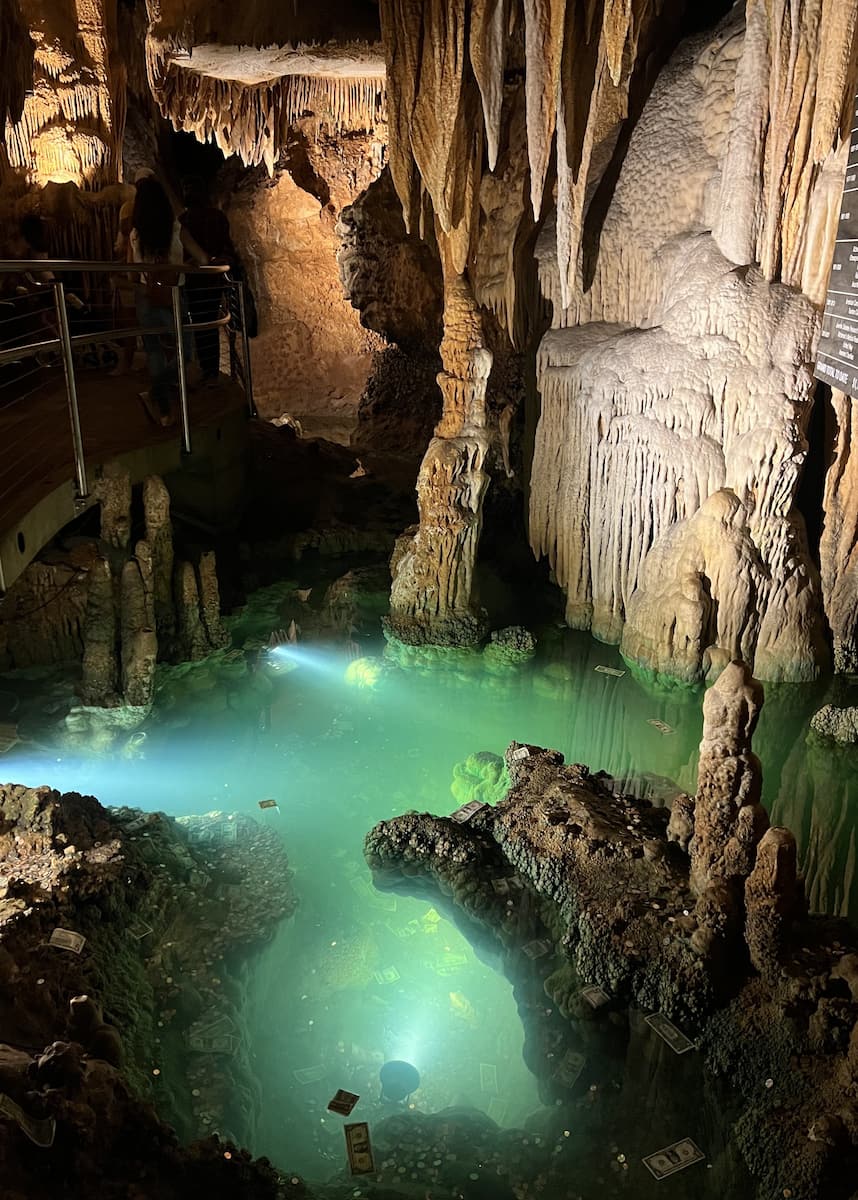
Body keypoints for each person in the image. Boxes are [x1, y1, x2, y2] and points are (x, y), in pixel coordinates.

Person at [129, 176, 209, 426]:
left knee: (153, 350)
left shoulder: (135, 234)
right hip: (173, 296)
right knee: (185, 352)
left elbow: (133, 272)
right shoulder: (176, 229)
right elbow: (204, 260)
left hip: (146, 295)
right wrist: (183, 267)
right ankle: (157, 391)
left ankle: (163, 411)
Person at [179, 176, 234, 384]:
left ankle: (203, 368)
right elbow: (226, 247)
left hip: (195, 279)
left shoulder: (186, 220)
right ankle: (210, 370)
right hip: (213, 278)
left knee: (199, 325)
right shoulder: (218, 217)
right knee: (210, 324)